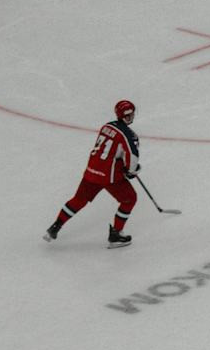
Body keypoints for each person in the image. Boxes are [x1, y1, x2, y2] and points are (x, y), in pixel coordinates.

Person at [45, 100, 141, 247]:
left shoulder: (107, 126)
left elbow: (109, 149)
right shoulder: (129, 135)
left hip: (91, 170)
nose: (132, 116)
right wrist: (131, 170)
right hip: (109, 176)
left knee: (79, 199)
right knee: (130, 199)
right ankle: (116, 234)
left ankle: (55, 226)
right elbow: (132, 157)